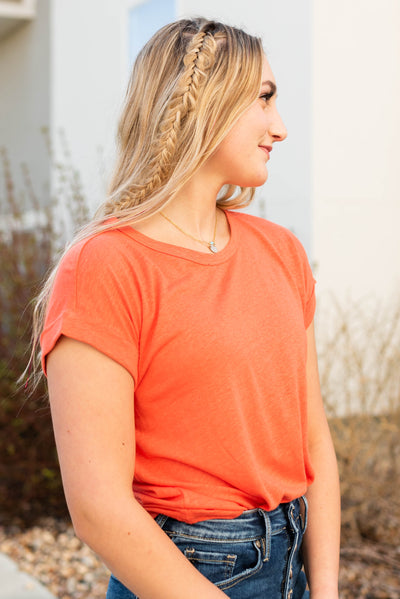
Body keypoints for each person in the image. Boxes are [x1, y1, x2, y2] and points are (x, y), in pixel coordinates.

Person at [32, 17, 340, 599]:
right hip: (187, 572)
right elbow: (98, 506)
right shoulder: (107, 266)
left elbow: (313, 442)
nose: (281, 127)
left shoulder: (282, 252)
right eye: (265, 99)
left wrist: (324, 588)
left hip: (295, 560)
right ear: (205, 105)